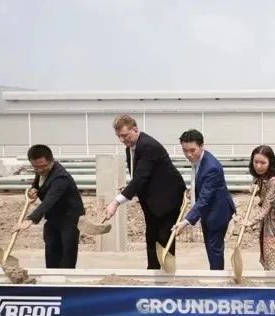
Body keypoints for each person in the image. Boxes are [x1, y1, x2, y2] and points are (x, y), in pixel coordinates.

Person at [104, 115, 186, 270]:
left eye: (125, 135)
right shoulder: (130, 148)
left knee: (164, 237)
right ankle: (153, 271)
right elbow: (140, 176)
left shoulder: (148, 146)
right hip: (152, 198)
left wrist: (116, 202)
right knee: (151, 237)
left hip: (168, 199)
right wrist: (130, 189)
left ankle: (167, 274)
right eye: (119, 136)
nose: (122, 139)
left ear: (135, 130)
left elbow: (140, 177)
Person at [171, 129, 235, 270]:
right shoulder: (200, 160)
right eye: (185, 150)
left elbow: (205, 199)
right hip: (209, 209)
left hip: (217, 212)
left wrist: (186, 222)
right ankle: (215, 273)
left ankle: (217, 278)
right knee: (212, 247)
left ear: (201, 146)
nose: (189, 154)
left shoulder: (211, 167)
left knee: (214, 248)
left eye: (192, 150)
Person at [14, 144, 85, 268]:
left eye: (43, 166)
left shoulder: (61, 177)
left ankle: (65, 278)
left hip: (69, 219)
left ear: (51, 160)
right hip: (53, 216)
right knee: (51, 247)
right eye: (36, 167)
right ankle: (51, 276)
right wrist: (34, 190)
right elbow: (38, 184)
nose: (40, 170)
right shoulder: (41, 170)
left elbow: (49, 200)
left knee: (66, 253)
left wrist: (30, 219)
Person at [237, 145, 275, 271]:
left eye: (263, 163)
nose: (258, 166)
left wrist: (251, 221)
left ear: (270, 162)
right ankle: (271, 272)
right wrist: (254, 188)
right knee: (267, 245)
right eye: (256, 162)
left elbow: (267, 204)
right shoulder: (260, 175)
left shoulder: (274, 180)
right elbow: (260, 191)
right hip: (268, 216)